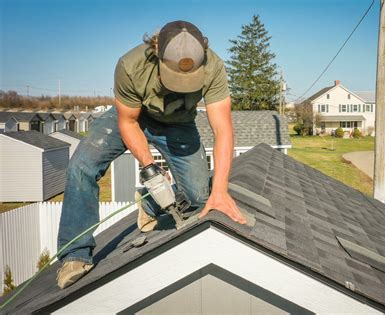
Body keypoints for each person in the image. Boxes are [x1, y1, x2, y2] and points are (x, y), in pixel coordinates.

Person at [56, 20, 246, 289]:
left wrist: (221, 192)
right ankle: (75, 254)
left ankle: (149, 204)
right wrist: (152, 173)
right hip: (135, 116)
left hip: (179, 123)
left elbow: (223, 130)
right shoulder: (130, 66)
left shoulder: (214, 67)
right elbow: (128, 122)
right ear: (155, 52)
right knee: (81, 166)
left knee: (201, 198)